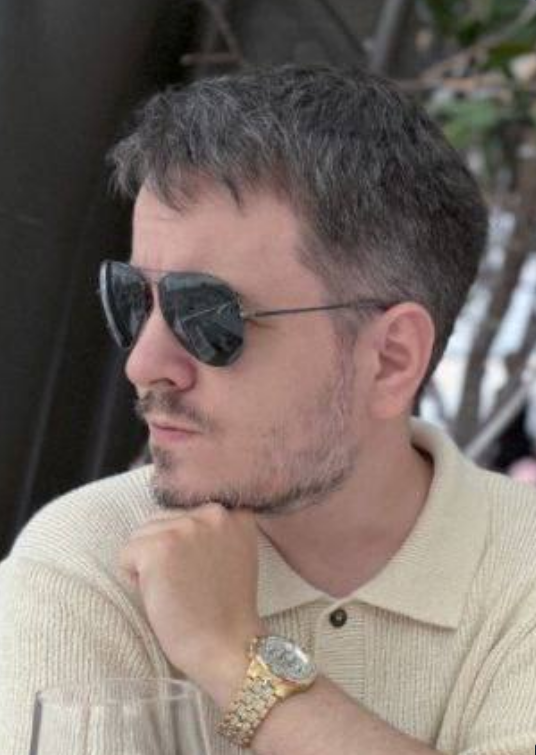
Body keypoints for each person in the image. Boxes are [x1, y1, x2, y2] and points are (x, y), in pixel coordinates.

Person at [1, 64, 535, 755]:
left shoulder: (520, 566)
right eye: (133, 300)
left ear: (390, 358)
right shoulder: (91, 557)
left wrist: (234, 656)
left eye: (207, 316)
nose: (143, 362)